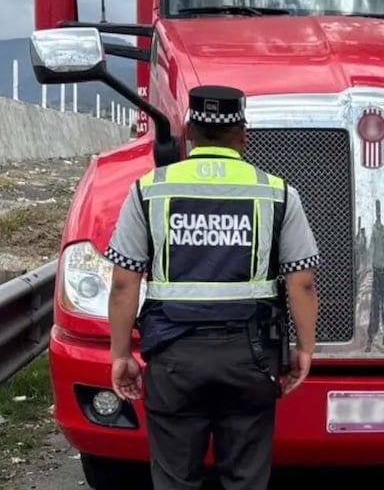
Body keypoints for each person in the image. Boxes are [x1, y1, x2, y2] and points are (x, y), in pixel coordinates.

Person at [105, 85, 321, 490]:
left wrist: (120, 354)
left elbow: (123, 283)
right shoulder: (277, 192)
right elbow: (302, 281)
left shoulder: (148, 189)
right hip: (250, 359)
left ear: (188, 131)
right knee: (245, 479)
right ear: (243, 134)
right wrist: (304, 349)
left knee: (174, 479)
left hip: (173, 359)